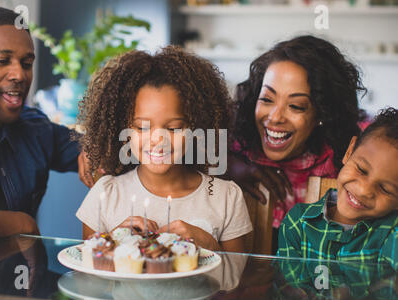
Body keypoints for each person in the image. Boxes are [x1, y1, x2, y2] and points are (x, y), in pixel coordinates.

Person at [75, 46, 252, 252]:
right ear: (122, 129)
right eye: (142, 127)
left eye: (174, 128)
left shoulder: (226, 198)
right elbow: (89, 274)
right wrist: (112, 243)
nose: (158, 140)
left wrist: (210, 246)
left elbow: (235, 281)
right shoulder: (106, 195)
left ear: (198, 128)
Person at [0, 7, 88, 245]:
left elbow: (106, 150)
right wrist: (22, 224)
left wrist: (95, 150)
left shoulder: (36, 128)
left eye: (26, 63)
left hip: (21, 280)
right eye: (2, 61)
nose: (20, 75)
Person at [229, 35, 367, 251]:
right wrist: (229, 166)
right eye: (266, 99)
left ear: (322, 113)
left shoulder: (342, 166)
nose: (275, 117)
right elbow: (190, 152)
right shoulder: (236, 143)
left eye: (296, 106)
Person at [277, 107, 398, 270]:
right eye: (361, 170)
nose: (364, 190)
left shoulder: (392, 234)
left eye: (385, 189)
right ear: (349, 151)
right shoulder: (296, 224)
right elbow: (287, 289)